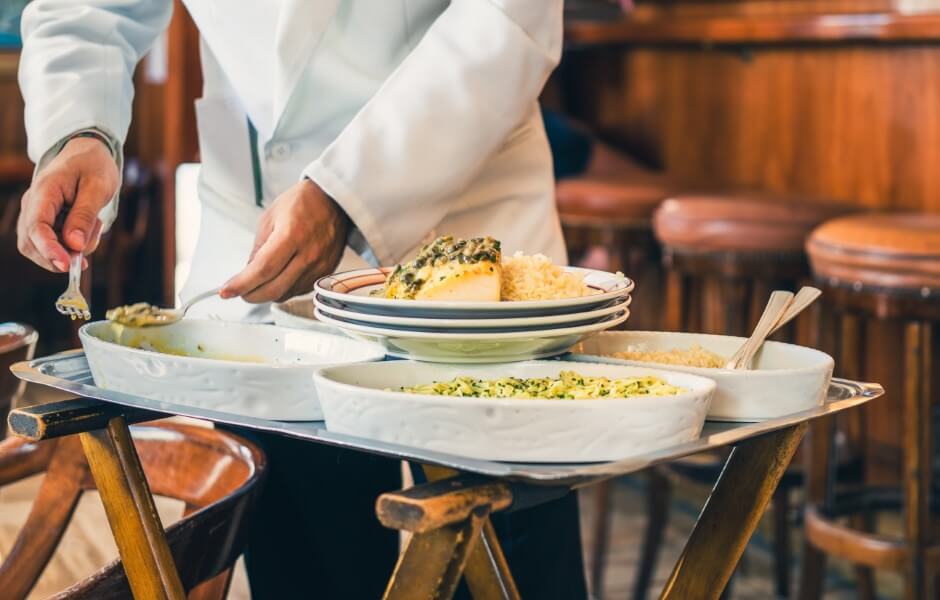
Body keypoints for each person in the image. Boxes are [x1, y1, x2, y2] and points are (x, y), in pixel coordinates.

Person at [16, 1, 587, 598]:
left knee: (509, 562)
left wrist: (348, 192)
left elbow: (505, 17)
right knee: (306, 570)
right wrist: (80, 132)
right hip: (261, 241)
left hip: (465, 210)